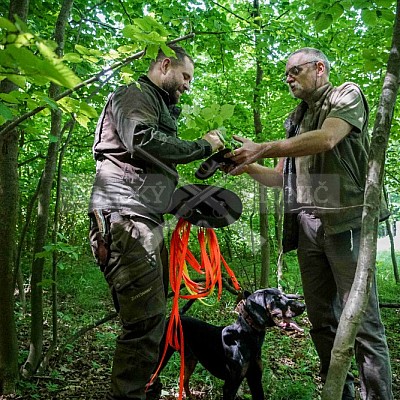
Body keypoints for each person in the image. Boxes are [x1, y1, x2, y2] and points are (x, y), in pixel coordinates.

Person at [226, 48, 393, 400]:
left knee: (363, 323)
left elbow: (328, 138)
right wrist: (246, 165)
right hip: (306, 227)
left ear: (319, 68)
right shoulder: (295, 119)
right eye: (286, 73)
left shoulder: (345, 94)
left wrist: (264, 147)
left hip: (346, 221)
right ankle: (341, 394)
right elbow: (280, 179)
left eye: (295, 70)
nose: (289, 77)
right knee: (322, 323)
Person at [88, 44, 224, 400]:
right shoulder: (133, 95)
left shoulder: (155, 105)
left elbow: (149, 165)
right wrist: (202, 146)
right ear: (165, 65)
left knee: (150, 319)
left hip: (142, 217)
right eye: (185, 76)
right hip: (126, 218)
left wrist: (190, 202)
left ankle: (147, 391)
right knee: (145, 324)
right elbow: (142, 140)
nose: (188, 86)